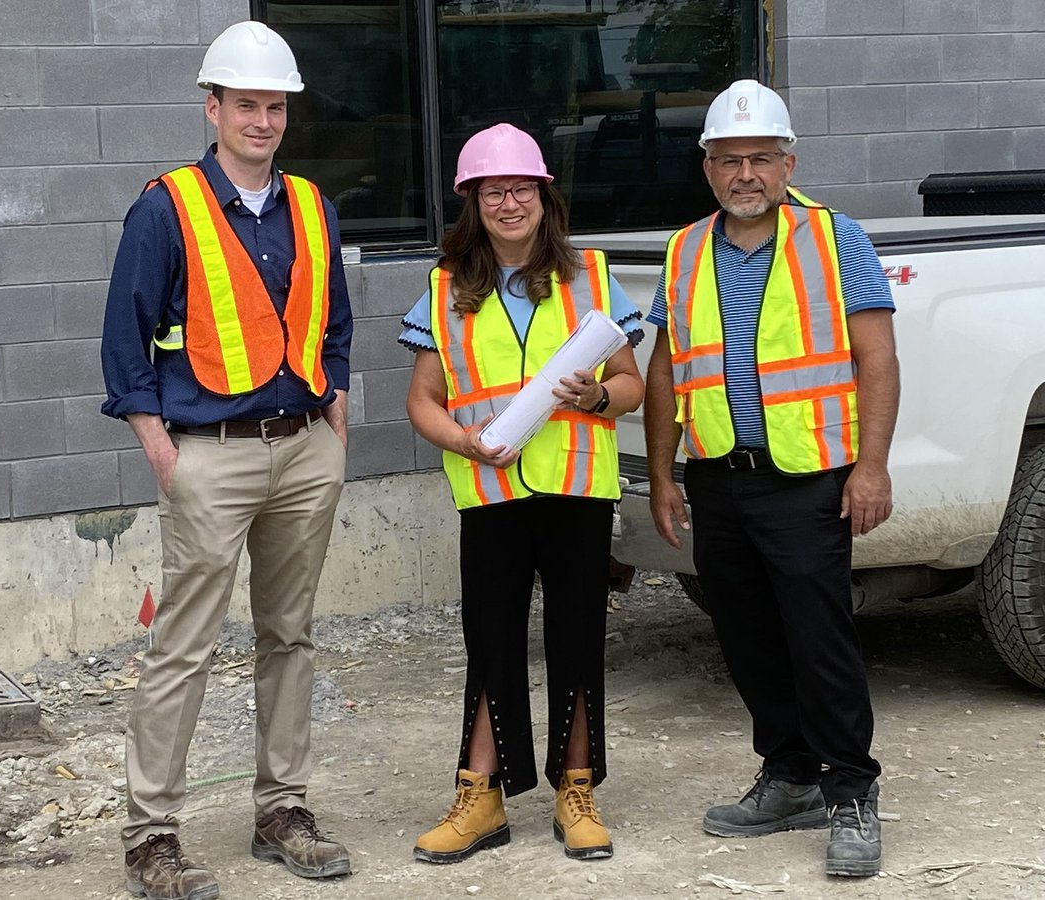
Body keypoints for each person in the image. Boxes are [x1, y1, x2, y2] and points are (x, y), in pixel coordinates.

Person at [100, 21, 354, 899]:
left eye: (275, 105)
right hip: (208, 455)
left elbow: (336, 322)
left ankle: (281, 809)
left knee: (290, 635)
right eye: (245, 103)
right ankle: (151, 835)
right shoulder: (165, 207)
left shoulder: (312, 205)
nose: (262, 119)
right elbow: (124, 347)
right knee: (184, 646)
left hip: (304, 449)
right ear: (212, 107)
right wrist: (164, 456)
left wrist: (338, 417)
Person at [643, 80, 899, 878]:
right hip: (720, 477)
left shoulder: (835, 238)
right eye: (728, 159)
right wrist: (661, 473)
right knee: (746, 634)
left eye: (759, 157)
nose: (744, 173)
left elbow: (877, 358)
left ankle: (851, 790)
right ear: (708, 167)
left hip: (808, 478)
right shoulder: (685, 250)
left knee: (819, 638)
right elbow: (664, 367)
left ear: (788, 163)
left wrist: (872, 465)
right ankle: (789, 776)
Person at [400, 123, 646, 864]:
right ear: (472, 203)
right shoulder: (445, 288)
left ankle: (577, 789)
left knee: (577, 639)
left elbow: (632, 384)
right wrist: (462, 440)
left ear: (544, 196)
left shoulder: (592, 277)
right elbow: (423, 400)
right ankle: (482, 793)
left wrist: (597, 395)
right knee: (492, 643)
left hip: (575, 490)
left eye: (520, 189)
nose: (508, 203)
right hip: (491, 490)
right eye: (492, 191)